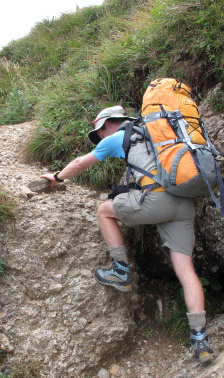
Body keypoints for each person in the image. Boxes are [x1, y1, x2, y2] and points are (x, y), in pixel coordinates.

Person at [40, 105, 213, 362]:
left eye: (99, 132)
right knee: (186, 270)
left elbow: (80, 163)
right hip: (183, 203)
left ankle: (120, 270)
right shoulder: (158, 132)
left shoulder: (120, 136)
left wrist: (57, 177)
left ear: (108, 124)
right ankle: (200, 339)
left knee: (103, 211)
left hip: (155, 201)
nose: (100, 138)